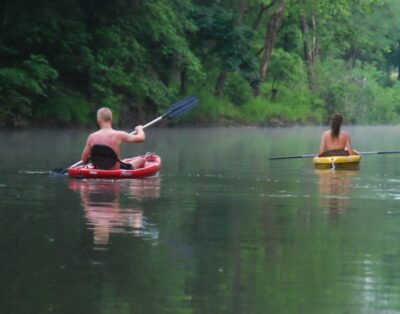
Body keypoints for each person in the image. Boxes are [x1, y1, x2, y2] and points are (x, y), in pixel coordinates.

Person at [81, 107, 146, 169]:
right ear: (111, 119)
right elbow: (141, 138)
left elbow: (84, 159)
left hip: (98, 169)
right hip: (115, 170)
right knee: (141, 160)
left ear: (98, 120)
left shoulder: (91, 137)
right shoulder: (119, 135)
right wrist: (139, 129)